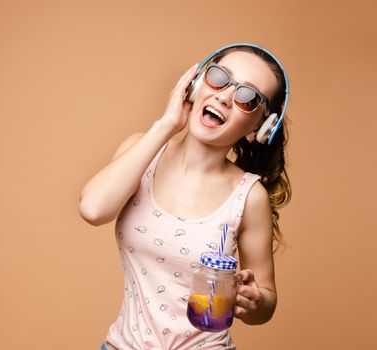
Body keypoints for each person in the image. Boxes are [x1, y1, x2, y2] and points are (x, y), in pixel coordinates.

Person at [79, 43, 291, 350]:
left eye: (247, 97)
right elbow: (93, 209)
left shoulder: (249, 196)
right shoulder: (142, 153)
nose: (225, 96)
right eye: (219, 78)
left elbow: (266, 300)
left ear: (259, 127)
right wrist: (166, 125)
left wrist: (255, 302)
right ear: (194, 84)